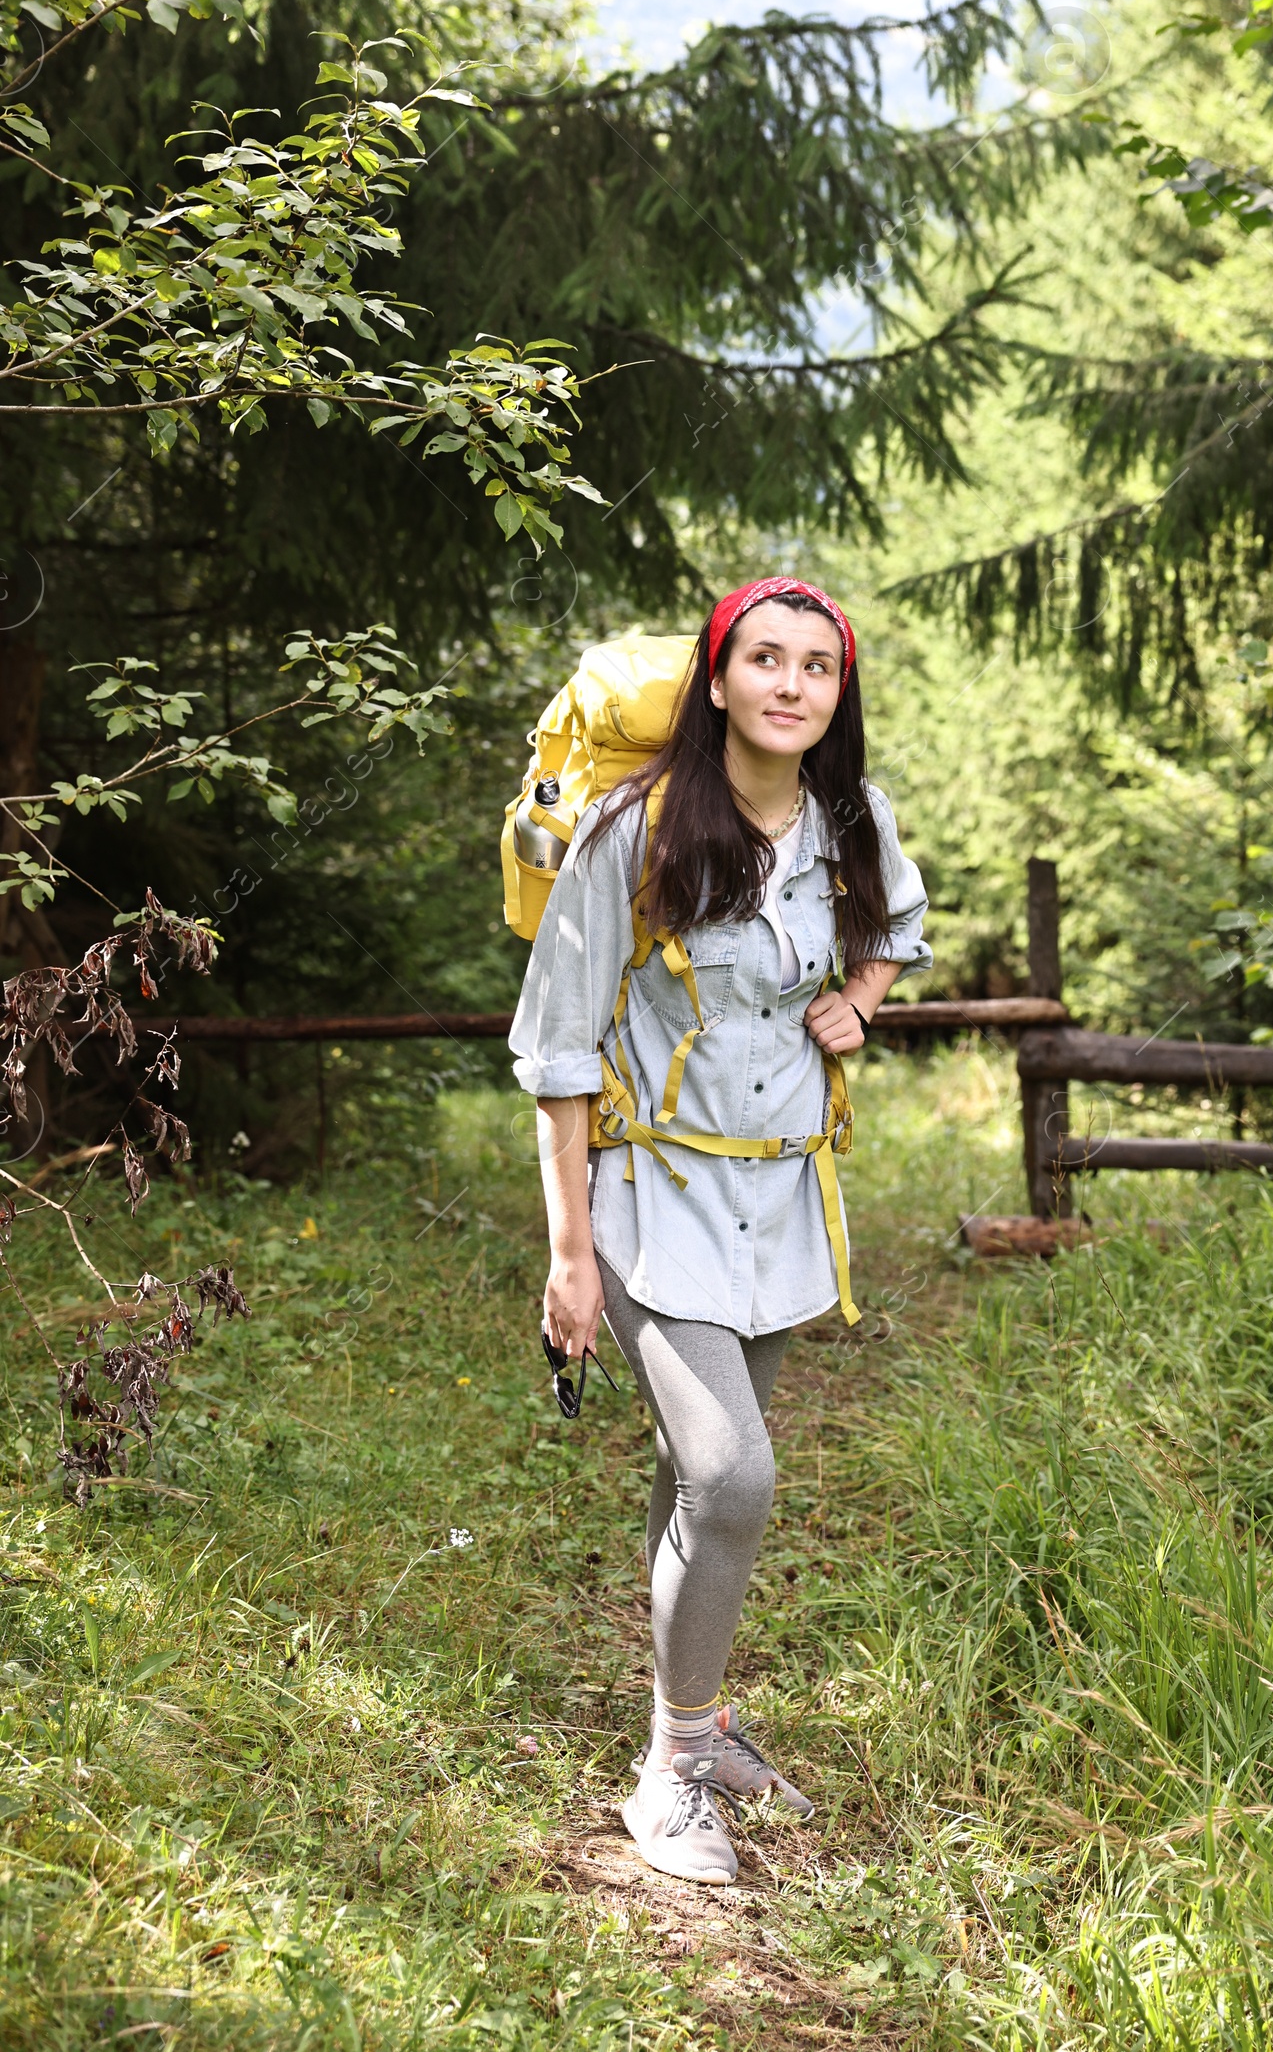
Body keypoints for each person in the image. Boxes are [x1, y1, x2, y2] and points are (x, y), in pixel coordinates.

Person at [510, 577, 931, 1882]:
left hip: (781, 1201)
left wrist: (858, 1000)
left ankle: (697, 1722)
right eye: (766, 659)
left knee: (690, 1476)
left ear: (836, 692)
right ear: (718, 676)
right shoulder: (632, 832)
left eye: (818, 665)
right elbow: (558, 1052)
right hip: (651, 1201)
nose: (793, 684)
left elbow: (900, 929)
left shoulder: (849, 822)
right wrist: (570, 1256)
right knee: (735, 1476)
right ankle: (670, 1776)